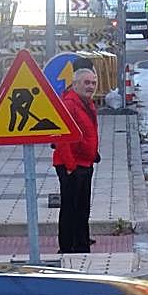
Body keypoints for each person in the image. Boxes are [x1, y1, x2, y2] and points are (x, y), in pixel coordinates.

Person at [52, 68, 100, 254]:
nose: (90, 86)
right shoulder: (70, 104)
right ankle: (67, 247)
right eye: (86, 83)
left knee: (82, 209)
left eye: (93, 83)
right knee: (70, 209)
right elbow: (61, 138)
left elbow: (88, 131)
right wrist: (70, 165)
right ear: (76, 84)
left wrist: (93, 154)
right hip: (71, 165)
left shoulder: (86, 103)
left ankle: (81, 246)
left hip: (85, 163)